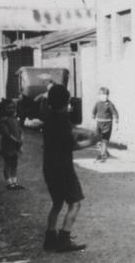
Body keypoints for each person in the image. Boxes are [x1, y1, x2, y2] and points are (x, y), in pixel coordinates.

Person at [42, 84, 91, 253]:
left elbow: (64, 137)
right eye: (68, 103)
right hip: (63, 169)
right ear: (64, 103)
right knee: (75, 203)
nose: (70, 106)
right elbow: (73, 146)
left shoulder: (48, 118)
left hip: (49, 168)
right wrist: (93, 141)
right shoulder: (62, 122)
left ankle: (49, 239)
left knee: (57, 203)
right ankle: (64, 239)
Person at [0, 100, 24, 190]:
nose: (11, 109)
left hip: (16, 145)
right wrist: (16, 140)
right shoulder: (3, 121)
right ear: (3, 109)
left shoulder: (15, 119)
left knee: (14, 163)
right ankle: (10, 183)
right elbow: (6, 134)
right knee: (8, 163)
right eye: (8, 108)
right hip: (8, 145)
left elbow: (20, 130)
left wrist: (21, 138)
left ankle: (15, 181)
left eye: (13, 107)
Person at [92, 87, 119, 162]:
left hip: (107, 124)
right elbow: (94, 111)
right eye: (103, 95)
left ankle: (103, 155)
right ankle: (105, 152)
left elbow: (115, 112)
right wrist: (93, 116)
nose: (105, 96)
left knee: (104, 139)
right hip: (99, 124)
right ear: (99, 95)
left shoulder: (109, 104)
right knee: (98, 139)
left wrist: (116, 121)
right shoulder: (97, 103)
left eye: (107, 95)